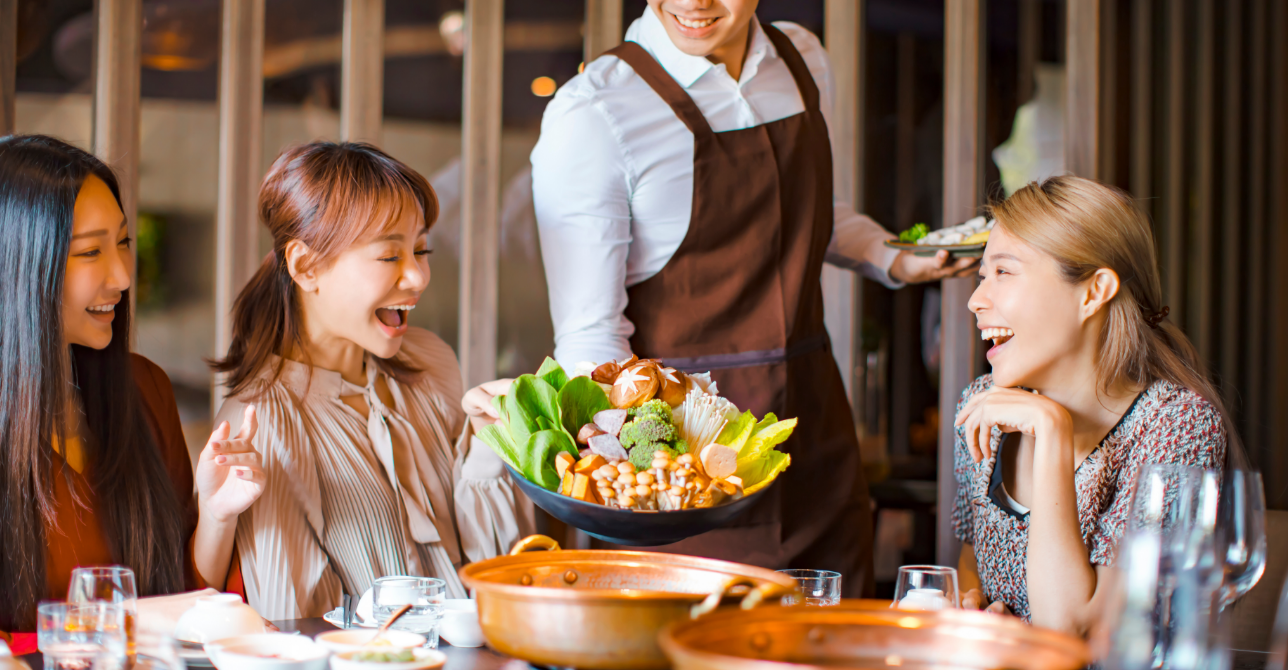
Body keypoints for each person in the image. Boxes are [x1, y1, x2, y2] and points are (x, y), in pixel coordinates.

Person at [507, 0, 973, 591]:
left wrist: (892, 256)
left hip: (815, 434)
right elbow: (590, 334)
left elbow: (809, 214)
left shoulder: (800, 58)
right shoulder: (596, 111)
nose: (694, 3)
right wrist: (645, 473)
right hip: (687, 462)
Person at [211, 141, 533, 621]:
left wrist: (491, 445)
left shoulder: (431, 363)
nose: (418, 276)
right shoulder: (262, 420)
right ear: (306, 266)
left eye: (421, 249)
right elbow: (300, 630)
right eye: (389, 256)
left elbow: (501, 574)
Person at [0, 135, 263, 634]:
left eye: (123, 242)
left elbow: (185, 604)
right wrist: (123, 620)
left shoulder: (143, 389)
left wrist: (216, 516)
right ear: (15, 267)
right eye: (90, 252)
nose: (123, 276)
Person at [952, 176, 1233, 634]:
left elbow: (1075, 632)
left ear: (1094, 291)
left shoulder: (1177, 425)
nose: (975, 300)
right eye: (982, 276)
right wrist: (970, 611)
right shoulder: (983, 406)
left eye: (1003, 272)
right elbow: (970, 561)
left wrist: (1052, 430)